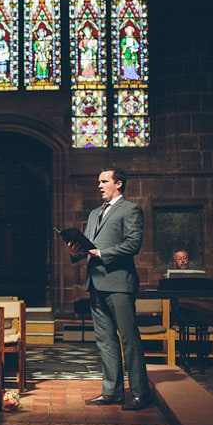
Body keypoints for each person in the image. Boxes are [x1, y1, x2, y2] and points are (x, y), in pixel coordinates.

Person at [65, 166, 151, 411]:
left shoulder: (131, 210)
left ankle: (140, 393)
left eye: (104, 181)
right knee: (104, 340)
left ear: (119, 184)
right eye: (99, 181)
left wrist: (101, 253)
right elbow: (88, 246)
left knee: (129, 339)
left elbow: (133, 245)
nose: (99, 185)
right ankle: (111, 391)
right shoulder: (94, 214)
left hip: (119, 283)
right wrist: (76, 252)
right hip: (96, 283)